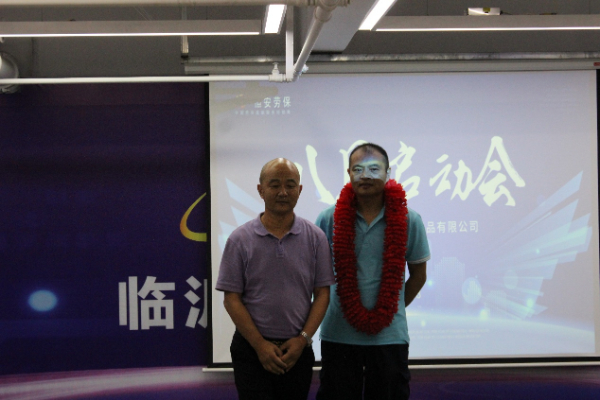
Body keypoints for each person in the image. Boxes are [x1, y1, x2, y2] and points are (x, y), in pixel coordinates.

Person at [315, 143, 430, 400]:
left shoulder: (409, 219)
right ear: (348, 173)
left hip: (389, 337)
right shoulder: (328, 219)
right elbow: (315, 278)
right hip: (338, 334)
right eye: (358, 169)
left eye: (374, 169)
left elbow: (418, 276)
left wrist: (391, 307)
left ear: (388, 172)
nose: (365, 175)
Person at [216, 158, 335, 400]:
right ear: (260, 190)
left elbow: (323, 294)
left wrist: (302, 340)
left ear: (300, 190)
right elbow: (231, 299)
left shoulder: (316, 238)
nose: (283, 192)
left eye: (290, 185)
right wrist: (260, 345)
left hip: (297, 351)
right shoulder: (239, 239)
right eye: (274, 185)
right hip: (251, 349)